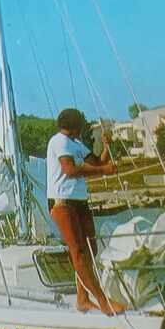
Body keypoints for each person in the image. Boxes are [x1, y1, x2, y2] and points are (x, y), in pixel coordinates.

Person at [46, 108, 126, 315]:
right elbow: (70, 170)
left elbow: (97, 163)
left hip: (79, 202)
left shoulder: (77, 144)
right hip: (62, 203)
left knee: (91, 249)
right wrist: (103, 170)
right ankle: (103, 302)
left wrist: (106, 148)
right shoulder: (59, 141)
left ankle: (83, 298)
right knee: (79, 252)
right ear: (75, 125)